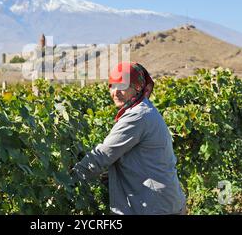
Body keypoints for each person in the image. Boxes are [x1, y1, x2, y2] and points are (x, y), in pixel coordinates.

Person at [71, 61, 186, 215]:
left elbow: (103, 155)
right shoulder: (145, 109)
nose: (115, 92)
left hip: (154, 208)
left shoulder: (138, 116)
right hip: (164, 203)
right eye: (112, 85)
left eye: (123, 86)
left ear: (137, 88)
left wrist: (67, 181)